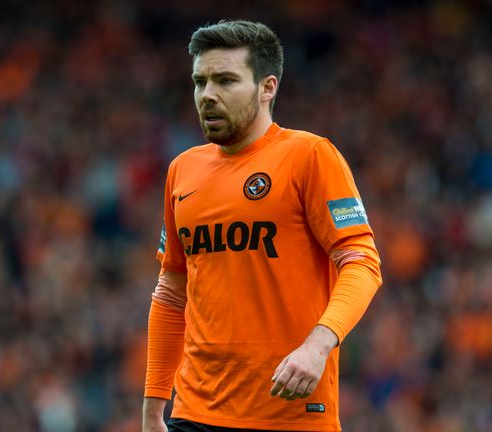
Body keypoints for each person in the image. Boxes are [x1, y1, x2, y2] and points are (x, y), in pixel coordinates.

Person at [142, 20, 382, 432]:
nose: (208, 95)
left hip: (290, 412)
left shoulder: (310, 156)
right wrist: (152, 408)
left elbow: (361, 262)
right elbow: (171, 291)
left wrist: (318, 345)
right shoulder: (182, 171)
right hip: (194, 414)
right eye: (200, 82)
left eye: (225, 80)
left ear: (267, 87)